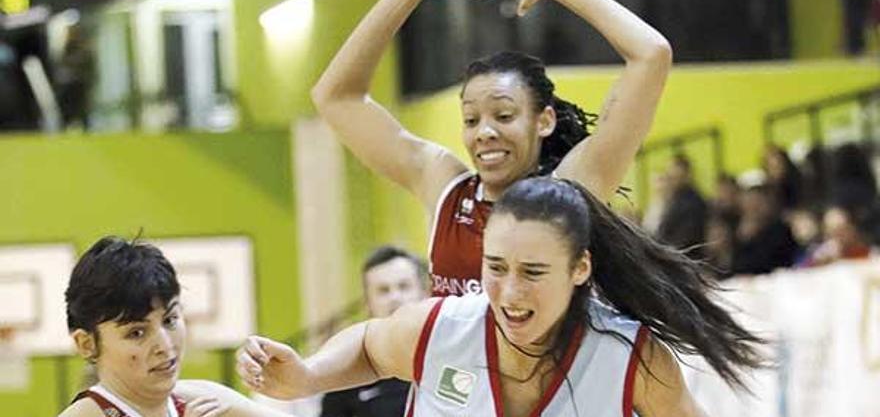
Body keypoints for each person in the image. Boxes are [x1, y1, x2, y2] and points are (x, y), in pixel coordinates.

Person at [310, 0, 672, 297]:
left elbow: (651, 54)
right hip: (449, 358)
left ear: (543, 121)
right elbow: (335, 98)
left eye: (503, 116)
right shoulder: (444, 186)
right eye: (471, 119)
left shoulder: (574, 187)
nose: (484, 132)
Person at [236, 177, 765, 417]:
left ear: (580, 268)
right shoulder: (440, 328)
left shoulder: (632, 358)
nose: (510, 292)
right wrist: (309, 375)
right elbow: (373, 348)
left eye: (533, 272)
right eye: (496, 268)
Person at [59, 236, 296, 417]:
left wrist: (300, 380)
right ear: (87, 343)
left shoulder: (206, 400)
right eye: (136, 333)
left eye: (170, 320)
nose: (164, 344)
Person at [320, 246, 428, 417]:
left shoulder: (447, 355)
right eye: (383, 290)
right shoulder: (347, 370)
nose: (395, 297)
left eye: (404, 287)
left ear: (424, 293)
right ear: (367, 303)